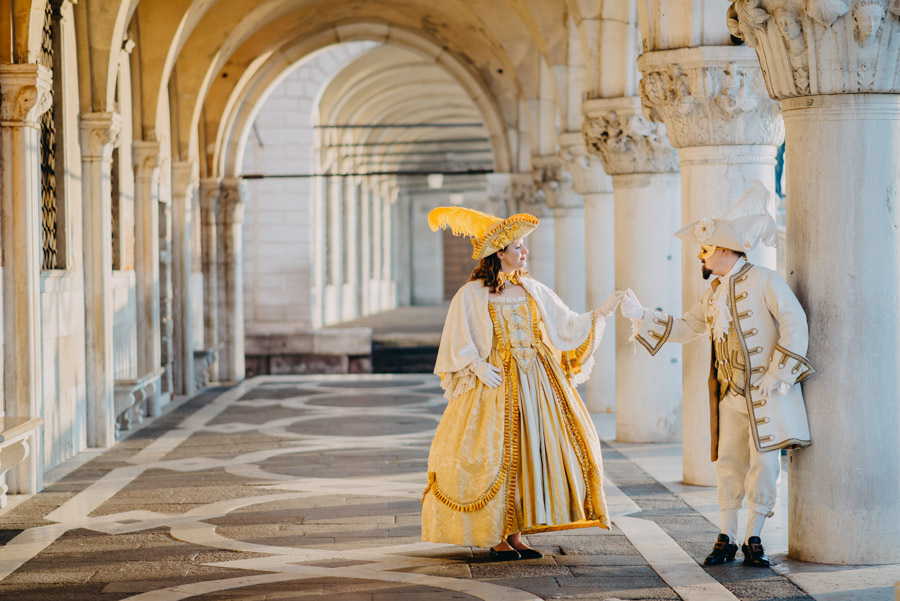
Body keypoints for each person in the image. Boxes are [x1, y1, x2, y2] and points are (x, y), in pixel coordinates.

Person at [619, 180, 814, 568]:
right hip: (729, 395)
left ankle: (754, 537)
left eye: (705, 250)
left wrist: (780, 373)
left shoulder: (765, 280)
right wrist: (642, 317)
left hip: (767, 393)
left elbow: (796, 323)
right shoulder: (712, 293)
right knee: (729, 464)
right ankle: (726, 536)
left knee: (766, 465)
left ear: (725, 250)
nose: (701, 257)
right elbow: (687, 326)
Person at [421, 206, 620, 560]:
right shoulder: (471, 294)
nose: (525, 253)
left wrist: (600, 313)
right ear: (500, 253)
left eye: (524, 247)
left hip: (539, 381)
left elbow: (565, 323)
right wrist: (477, 365)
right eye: (518, 247)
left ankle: (517, 533)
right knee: (496, 453)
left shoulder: (532, 289)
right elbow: (457, 338)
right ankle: (496, 532)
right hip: (494, 382)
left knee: (533, 451)